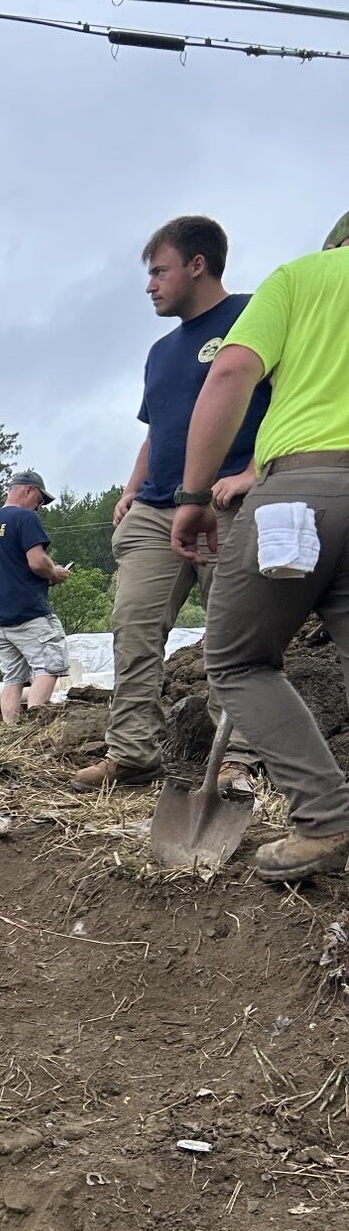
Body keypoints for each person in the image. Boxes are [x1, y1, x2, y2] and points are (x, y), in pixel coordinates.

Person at [172, 210, 349, 882]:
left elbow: (230, 375)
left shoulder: (301, 278)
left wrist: (192, 498)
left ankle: (324, 818)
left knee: (240, 658)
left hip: (302, 492)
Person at [75, 215, 271, 794]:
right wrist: (133, 488)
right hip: (158, 511)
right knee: (132, 627)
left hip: (228, 502)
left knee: (232, 633)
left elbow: (290, 401)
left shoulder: (254, 316)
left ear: (197, 264)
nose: (150, 284)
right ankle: (133, 754)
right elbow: (156, 428)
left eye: (158, 271)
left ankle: (238, 757)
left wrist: (254, 472)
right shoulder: (161, 351)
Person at [0, 470, 72, 723]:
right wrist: (55, 573)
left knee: (12, 680)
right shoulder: (25, 517)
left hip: (1, 623)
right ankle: (35, 730)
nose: (39, 508)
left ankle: (12, 734)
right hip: (30, 615)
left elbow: (4, 571)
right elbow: (37, 561)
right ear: (28, 490)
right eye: (40, 501)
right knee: (49, 667)